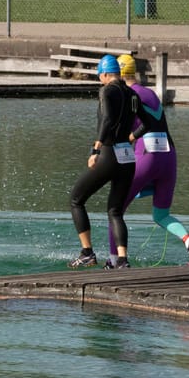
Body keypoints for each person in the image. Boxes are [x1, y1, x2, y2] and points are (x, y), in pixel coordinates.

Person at [104, 54, 189, 267]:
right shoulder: (151, 93)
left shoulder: (124, 95)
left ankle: (114, 261)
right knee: (161, 214)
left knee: (115, 210)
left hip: (146, 155)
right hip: (169, 157)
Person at [68, 54, 138, 268]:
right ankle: (123, 260)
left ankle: (87, 252)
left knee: (76, 199)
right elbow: (151, 122)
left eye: (100, 76)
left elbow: (107, 118)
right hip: (128, 156)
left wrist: (96, 149)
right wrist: (132, 137)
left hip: (109, 154)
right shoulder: (132, 92)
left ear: (105, 74)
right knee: (115, 211)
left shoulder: (107, 90)